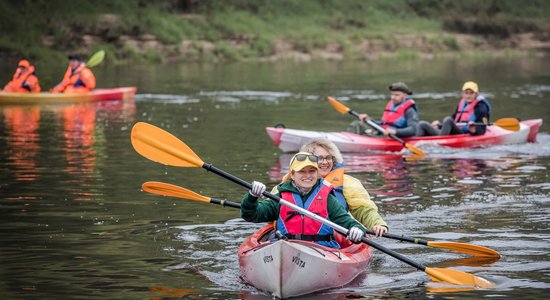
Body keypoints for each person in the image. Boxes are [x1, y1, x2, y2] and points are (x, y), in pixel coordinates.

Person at [240, 152, 367, 249]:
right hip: (287, 246)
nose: (307, 176)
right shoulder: (281, 197)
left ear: (317, 174)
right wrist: (252, 196)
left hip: (322, 250)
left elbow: (348, 223)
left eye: (312, 171)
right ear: (293, 175)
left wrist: (356, 231)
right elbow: (251, 215)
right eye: (302, 171)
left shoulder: (328, 199)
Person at [300, 138, 388, 237]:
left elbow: (362, 209)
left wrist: (377, 223)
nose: (325, 162)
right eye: (319, 158)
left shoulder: (347, 183)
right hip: (300, 235)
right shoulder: (294, 182)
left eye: (328, 158)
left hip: (337, 237)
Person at [417, 81, 491, 136]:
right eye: (466, 93)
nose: (468, 95)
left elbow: (482, 129)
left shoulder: (481, 107)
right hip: (454, 131)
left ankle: (440, 141)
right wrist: (440, 124)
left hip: (465, 133)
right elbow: (454, 119)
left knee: (448, 120)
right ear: (462, 94)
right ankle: (413, 143)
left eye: (471, 93)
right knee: (422, 124)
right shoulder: (463, 104)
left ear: (476, 94)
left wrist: (474, 130)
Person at [348, 82, 419, 138]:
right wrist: (369, 119)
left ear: (405, 96)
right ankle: (348, 139)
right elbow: (383, 124)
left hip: (397, 137)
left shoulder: (410, 110)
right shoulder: (392, 106)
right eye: (392, 94)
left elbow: (413, 130)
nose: (393, 97)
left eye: (397, 95)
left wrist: (395, 132)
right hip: (383, 133)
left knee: (365, 131)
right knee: (357, 124)